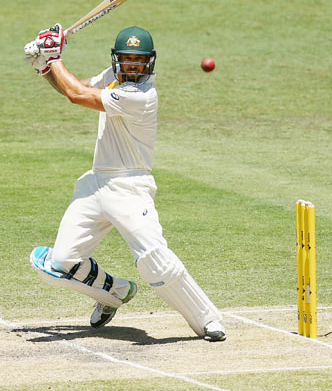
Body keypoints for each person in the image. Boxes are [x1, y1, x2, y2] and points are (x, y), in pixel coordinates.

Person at [23, 24, 226, 342]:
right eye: (127, 59)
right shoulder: (113, 77)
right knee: (59, 263)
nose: (132, 65)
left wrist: (54, 55)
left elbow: (78, 96)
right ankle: (114, 293)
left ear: (150, 62)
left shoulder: (142, 95)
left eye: (139, 60)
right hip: (95, 185)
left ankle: (208, 320)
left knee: (154, 262)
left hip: (130, 188)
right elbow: (73, 87)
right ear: (117, 59)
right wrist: (44, 67)